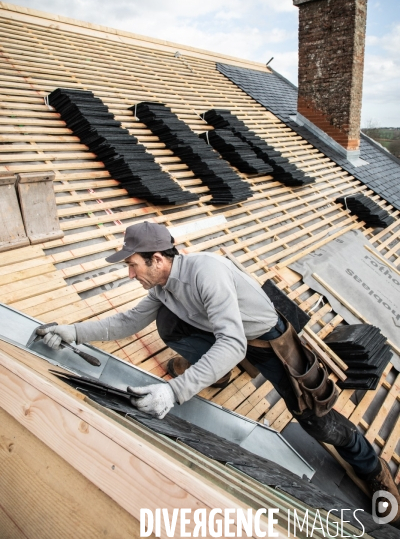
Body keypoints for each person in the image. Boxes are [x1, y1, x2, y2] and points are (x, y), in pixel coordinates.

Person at [38, 222, 400, 526]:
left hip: (266, 341)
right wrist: (73, 330)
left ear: (158, 259)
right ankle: (215, 373)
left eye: (133, 265)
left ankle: (370, 464)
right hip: (224, 332)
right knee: (168, 326)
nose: (130, 274)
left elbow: (234, 345)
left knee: (315, 420)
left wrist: (174, 391)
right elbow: (127, 321)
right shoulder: (162, 286)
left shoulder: (205, 273)